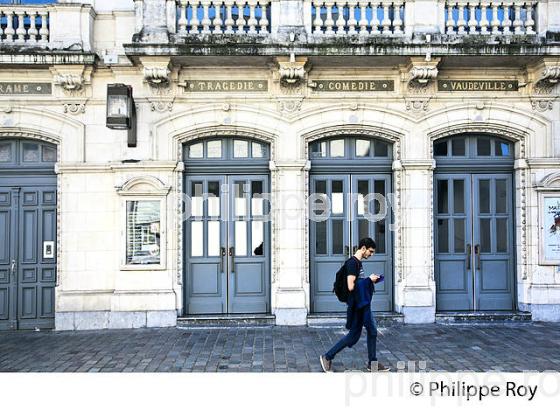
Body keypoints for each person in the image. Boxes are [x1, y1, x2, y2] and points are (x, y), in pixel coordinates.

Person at [319, 237, 390, 372]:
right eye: (370, 251)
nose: (372, 254)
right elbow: (351, 286)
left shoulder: (358, 263)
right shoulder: (352, 263)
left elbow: (358, 283)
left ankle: (328, 357)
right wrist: (369, 280)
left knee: (354, 336)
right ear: (363, 248)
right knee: (371, 331)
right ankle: (371, 363)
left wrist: (370, 280)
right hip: (359, 306)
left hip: (361, 304)